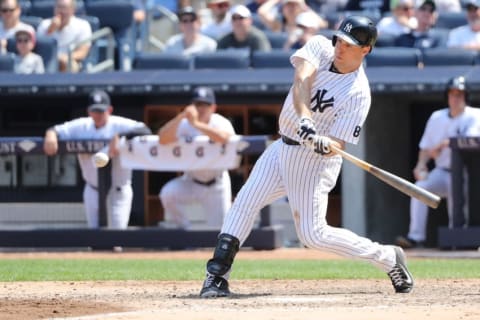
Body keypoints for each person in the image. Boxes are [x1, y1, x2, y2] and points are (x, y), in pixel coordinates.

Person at [199, 15, 414, 298]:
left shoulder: (359, 93)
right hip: (282, 146)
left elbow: (338, 143)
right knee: (245, 203)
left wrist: (324, 143)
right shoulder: (320, 46)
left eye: (348, 44)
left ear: (365, 50)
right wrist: (305, 119)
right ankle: (216, 276)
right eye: (339, 39)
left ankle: (387, 257)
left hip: (313, 162)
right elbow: (302, 77)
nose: (339, 47)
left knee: (313, 235)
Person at [43, 89, 152, 229]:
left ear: (110, 110)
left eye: (102, 111)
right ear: (89, 111)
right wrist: (50, 134)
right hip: (92, 188)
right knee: (94, 238)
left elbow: (145, 130)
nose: (98, 114)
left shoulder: (119, 124)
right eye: (95, 111)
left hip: (118, 191)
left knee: (117, 239)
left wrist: (121, 136)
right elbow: (55, 130)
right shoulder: (82, 125)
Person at [395, 76, 480, 249]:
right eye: (452, 94)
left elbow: (468, 140)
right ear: (447, 96)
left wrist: (443, 143)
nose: (455, 98)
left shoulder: (474, 115)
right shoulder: (437, 117)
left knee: (457, 212)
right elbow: (425, 148)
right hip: (442, 171)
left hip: (466, 174)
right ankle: (415, 237)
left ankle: (457, 243)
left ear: (466, 97)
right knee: (420, 187)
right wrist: (421, 164)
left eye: (459, 94)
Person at [158, 87, 235, 230]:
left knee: (220, 230)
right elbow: (162, 138)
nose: (200, 109)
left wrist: (197, 125)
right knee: (168, 194)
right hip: (191, 181)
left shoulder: (220, 122)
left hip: (217, 184)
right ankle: (185, 231)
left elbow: (226, 139)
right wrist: (181, 116)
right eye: (197, 104)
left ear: (213, 107)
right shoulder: (184, 123)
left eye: (204, 105)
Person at [37, 0, 92, 72]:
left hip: (70, 60)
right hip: (47, 60)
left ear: (73, 10)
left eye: (64, 8)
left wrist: (65, 57)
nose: (61, 11)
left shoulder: (83, 25)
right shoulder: (44, 24)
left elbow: (83, 52)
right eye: (59, 7)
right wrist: (50, 30)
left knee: (69, 64)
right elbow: (38, 47)